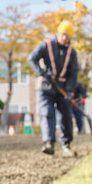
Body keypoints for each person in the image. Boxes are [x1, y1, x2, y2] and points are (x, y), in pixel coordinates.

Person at [29, 22, 80, 156]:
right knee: (47, 112)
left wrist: (69, 90)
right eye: (63, 35)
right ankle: (49, 143)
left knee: (66, 115)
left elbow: (73, 73)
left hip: (62, 88)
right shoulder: (46, 46)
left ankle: (66, 145)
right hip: (46, 87)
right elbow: (32, 59)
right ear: (58, 34)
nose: (65, 38)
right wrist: (43, 73)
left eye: (68, 36)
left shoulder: (71, 52)